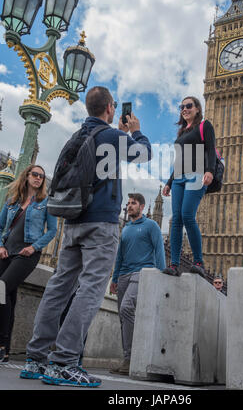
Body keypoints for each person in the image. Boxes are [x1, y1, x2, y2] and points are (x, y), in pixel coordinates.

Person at [20, 86, 152, 388]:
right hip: (100, 224)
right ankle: (65, 362)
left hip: (73, 223)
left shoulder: (77, 136)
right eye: (114, 107)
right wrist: (136, 131)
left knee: (59, 287)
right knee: (91, 289)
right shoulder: (112, 136)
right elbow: (144, 153)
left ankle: (35, 357)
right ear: (109, 109)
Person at [0, 164, 57, 363]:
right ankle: (4, 350)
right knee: (8, 297)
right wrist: (0, 245)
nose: (39, 178)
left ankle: (1, 343)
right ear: (26, 176)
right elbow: (0, 228)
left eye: (41, 176)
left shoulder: (45, 203)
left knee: (1, 289)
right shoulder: (11, 201)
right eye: (35, 174)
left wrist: (34, 247)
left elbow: (52, 231)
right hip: (6, 253)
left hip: (26, 254)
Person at [109, 193, 166, 375]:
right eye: (128, 203)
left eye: (133, 203)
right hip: (124, 275)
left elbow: (159, 250)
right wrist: (115, 278)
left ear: (141, 207)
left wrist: (161, 275)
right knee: (123, 316)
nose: (129, 206)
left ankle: (133, 356)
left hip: (142, 272)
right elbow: (120, 255)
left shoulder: (152, 225)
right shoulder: (125, 228)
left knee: (126, 308)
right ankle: (127, 358)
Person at [162, 96, 216, 277]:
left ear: (197, 109)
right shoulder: (181, 133)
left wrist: (210, 171)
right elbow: (179, 161)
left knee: (187, 215)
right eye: (182, 107)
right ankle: (175, 265)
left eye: (189, 106)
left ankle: (198, 261)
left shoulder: (204, 126)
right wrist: (169, 183)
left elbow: (210, 149)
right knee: (176, 219)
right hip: (178, 178)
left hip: (197, 176)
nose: (185, 109)